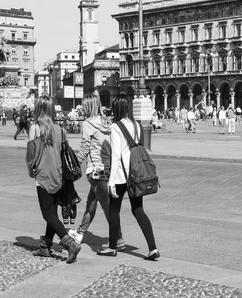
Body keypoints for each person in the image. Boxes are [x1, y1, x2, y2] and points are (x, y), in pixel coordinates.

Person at [100, 94, 159, 260]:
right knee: (138, 210)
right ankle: (153, 248)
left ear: (116, 108)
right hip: (135, 174)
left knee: (114, 210)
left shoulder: (116, 127)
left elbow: (116, 156)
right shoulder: (137, 125)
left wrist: (111, 181)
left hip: (120, 176)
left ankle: (112, 247)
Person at [25, 96, 81, 264]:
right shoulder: (60, 129)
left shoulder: (35, 129)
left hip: (42, 176)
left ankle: (70, 244)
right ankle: (45, 246)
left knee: (47, 214)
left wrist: (30, 171)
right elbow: (65, 152)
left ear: (38, 109)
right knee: (53, 213)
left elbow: (30, 155)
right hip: (59, 175)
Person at [67, 95, 125, 249]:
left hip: (95, 170)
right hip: (107, 168)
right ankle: (80, 232)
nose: (82, 108)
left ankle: (118, 238)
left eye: (84, 106)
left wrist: (73, 166)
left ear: (89, 106)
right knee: (91, 203)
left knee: (106, 206)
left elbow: (84, 148)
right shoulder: (107, 122)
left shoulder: (87, 124)